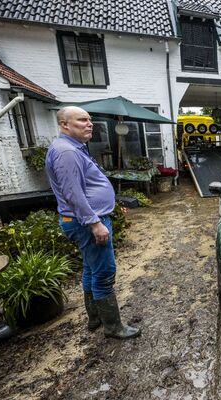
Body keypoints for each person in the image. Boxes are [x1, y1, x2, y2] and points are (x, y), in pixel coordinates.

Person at [45, 106, 140, 339]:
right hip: (86, 222)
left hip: (82, 220)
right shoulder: (67, 152)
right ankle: (113, 326)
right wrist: (94, 223)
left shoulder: (71, 147)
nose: (89, 124)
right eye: (82, 120)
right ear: (64, 125)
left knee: (90, 268)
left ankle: (95, 318)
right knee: (104, 273)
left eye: (89, 119)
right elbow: (72, 193)